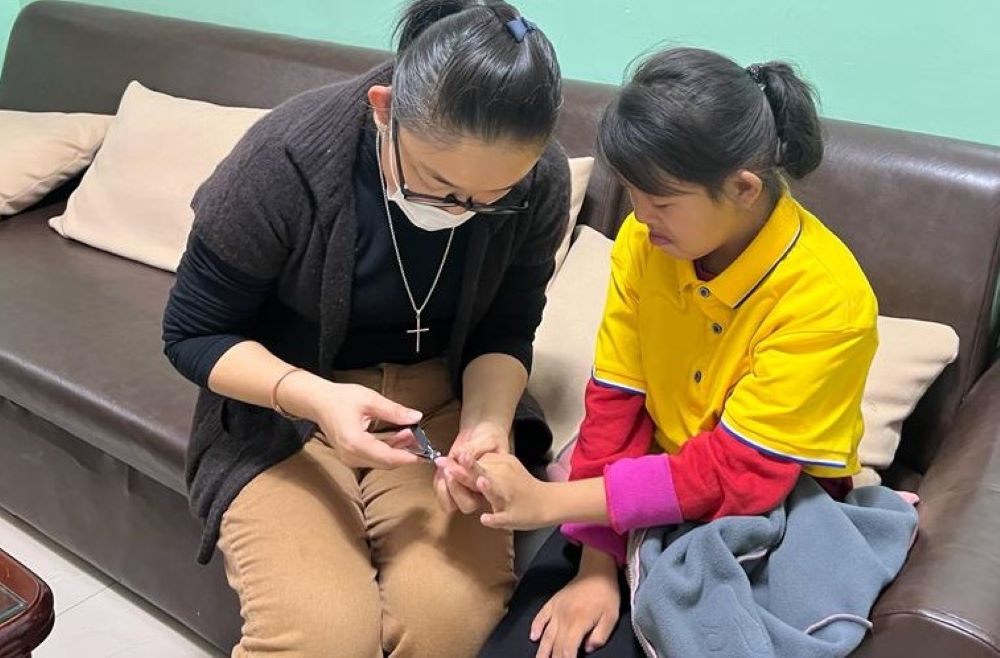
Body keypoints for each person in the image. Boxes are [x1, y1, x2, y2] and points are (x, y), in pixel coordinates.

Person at [161, 1, 569, 655]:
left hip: (444, 398)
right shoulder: (287, 158)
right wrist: (316, 398)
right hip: (284, 404)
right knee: (322, 636)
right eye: (441, 186)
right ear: (384, 109)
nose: (464, 213)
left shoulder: (537, 180)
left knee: (449, 624)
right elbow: (191, 332)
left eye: (492, 198)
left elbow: (508, 327)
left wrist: (487, 426)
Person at [475, 47, 878, 658]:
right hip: (639, 489)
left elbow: (738, 476)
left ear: (743, 188)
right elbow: (615, 400)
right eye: (634, 192)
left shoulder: (828, 300)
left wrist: (551, 503)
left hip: (764, 510)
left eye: (661, 201)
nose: (639, 216)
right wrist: (594, 567)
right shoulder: (644, 241)